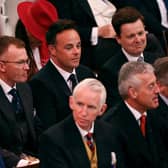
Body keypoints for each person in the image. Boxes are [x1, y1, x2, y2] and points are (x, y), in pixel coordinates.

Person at [39, 78, 125, 168]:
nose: (83, 113)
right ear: (71, 102)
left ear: (102, 110)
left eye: (91, 107)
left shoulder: (111, 133)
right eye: (79, 104)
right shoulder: (52, 139)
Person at [29, 19, 95, 131]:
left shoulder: (86, 73)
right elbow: (50, 129)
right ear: (52, 50)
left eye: (78, 46)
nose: (76, 52)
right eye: (69, 47)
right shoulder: (40, 83)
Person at [103, 61, 168, 168]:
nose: (157, 90)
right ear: (133, 92)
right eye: (151, 86)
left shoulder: (157, 115)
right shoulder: (110, 127)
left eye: (156, 83)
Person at [98, 7, 163, 109]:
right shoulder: (110, 71)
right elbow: (118, 110)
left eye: (140, 33)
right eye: (131, 36)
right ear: (118, 39)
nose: (138, 40)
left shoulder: (156, 60)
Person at [0, 36, 39, 168]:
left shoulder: (25, 88)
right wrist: (18, 162)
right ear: (2, 66)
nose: (27, 67)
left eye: (27, 61)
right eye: (20, 62)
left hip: (32, 158)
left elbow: (36, 128)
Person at [16, 0, 58, 79]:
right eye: (38, 34)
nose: (42, 40)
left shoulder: (49, 48)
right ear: (27, 29)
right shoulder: (12, 53)